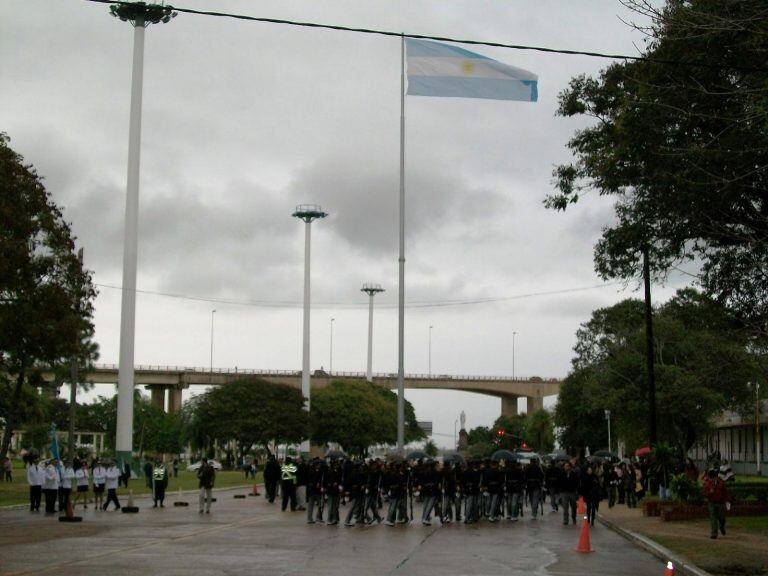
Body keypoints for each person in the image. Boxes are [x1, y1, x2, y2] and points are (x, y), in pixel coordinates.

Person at [703, 467, 729, 539]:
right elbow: (704, 493)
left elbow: (725, 493)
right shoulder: (707, 484)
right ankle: (714, 533)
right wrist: (709, 493)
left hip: (720, 502)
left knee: (722, 517)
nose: (712, 479)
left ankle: (722, 526)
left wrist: (727, 501)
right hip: (712, 502)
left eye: (714, 477)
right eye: (711, 477)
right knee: (713, 518)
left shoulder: (721, 483)